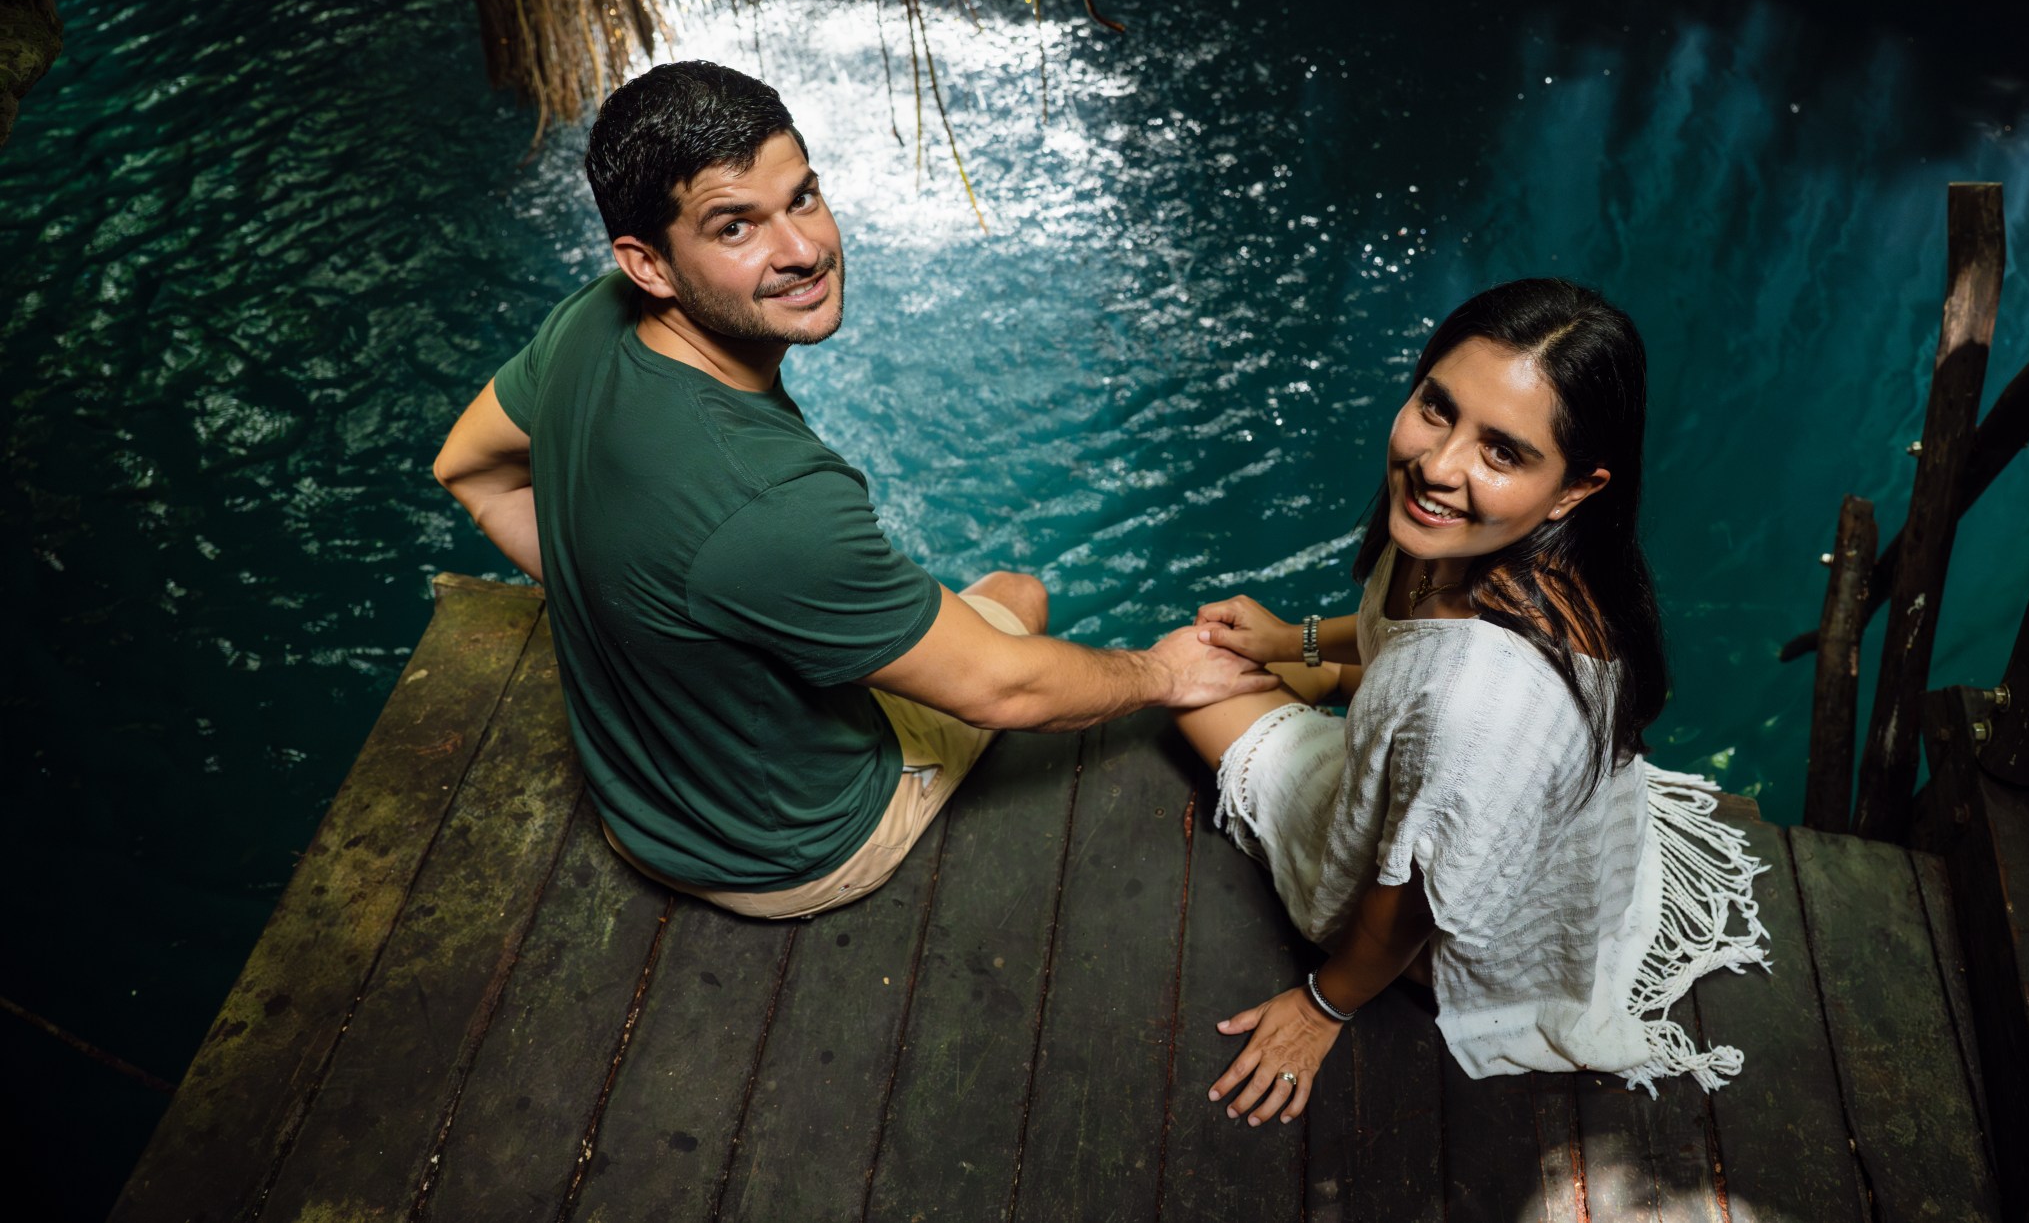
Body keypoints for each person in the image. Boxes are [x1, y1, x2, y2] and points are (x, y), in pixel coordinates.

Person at [430, 61, 1271, 920]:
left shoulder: (588, 322)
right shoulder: (775, 503)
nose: (802, 251)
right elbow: (1006, 690)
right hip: (785, 853)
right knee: (1020, 594)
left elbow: (467, 469)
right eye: (734, 227)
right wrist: (1163, 671)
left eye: (802, 198)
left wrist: (622, 602)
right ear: (648, 263)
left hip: (636, 812)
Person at [1176, 279, 1770, 1128]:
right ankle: (1329, 694)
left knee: (1189, 671)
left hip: (1444, 921)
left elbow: (1414, 901)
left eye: (1503, 453)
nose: (1438, 465)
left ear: (1573, 490)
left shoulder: (1484, 709)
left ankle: (1324, 713)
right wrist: (1296, 642)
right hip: (1479, 798)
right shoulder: (1487, 544)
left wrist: (1322, 1006)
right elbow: (1400, 631)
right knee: (1256, 663)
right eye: (1436, 408)